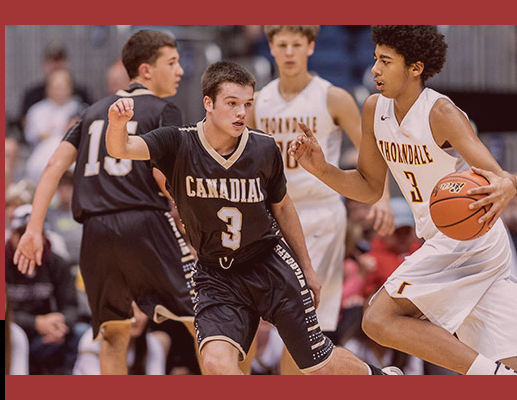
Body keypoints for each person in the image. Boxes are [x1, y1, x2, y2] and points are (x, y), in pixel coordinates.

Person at [289, 25, 517, 374]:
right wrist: (321, 169)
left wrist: (505, 183)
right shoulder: (374, 108)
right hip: (442, 237)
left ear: (415, 68)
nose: (374, 69)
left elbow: (496, 173)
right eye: (374, 59)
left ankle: (489, 378)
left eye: (386, 61)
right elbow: (369, 187)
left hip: (468, 238)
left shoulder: (440, 113)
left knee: (378, 318)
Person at [105, 60, 399, 375]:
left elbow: (283, 208)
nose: (241, 112)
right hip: (216, 274)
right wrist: (117, 123)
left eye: (247, 104)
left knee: (317, 367)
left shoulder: (263, 148)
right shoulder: (177, 142)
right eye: (231, 103)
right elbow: (121, 149)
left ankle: (377, 377)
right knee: (216, 363)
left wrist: (308, 269)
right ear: (208, 103)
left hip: (268, 265)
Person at [14, 30, 197, 375]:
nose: (180, 71)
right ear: (146, 70)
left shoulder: (91, 111)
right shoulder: (164, 109)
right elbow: (166, 176)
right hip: (146, 222)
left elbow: (53, 166)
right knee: (202, 318)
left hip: (96, 231)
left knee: (114, 332)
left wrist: (34, 229)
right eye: (171, 63)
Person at [247, 26, 395, 373]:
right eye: (281, 45)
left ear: (311, 46)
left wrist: (382, 199)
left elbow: (370, 153)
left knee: (305, 321)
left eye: (296, 44)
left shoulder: (333, 97)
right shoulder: (260, 101)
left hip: (321, 212)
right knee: (260, 317)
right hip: (274, 215)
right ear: (270, 47)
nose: (288, 52)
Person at [5, 205, 82, 374]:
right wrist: (35, 323)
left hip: (50, 332)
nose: (28, 240)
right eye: (21, 233)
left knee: (80, 334)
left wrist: (61, 324)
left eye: (34, 234)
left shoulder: (57, 263)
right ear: (12, 235)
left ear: (45, 236)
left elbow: (71, 305)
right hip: (13, 329)